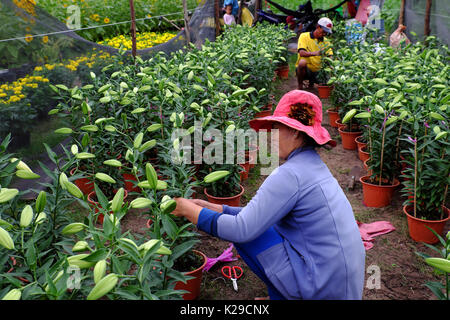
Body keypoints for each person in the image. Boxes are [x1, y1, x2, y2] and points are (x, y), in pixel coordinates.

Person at [172, 90, 366, 300]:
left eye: (276, 127)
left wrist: (188, 210)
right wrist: (220, 209)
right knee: (260, 226)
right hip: (339, 284)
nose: (270, 135)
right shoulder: (312, 166)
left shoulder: (291, 174)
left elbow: (242, 229)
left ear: (295, 132)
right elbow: (262, 215)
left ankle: (288, 295)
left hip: (319, 287)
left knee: (249, 235)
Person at [295, 17, 333, 90]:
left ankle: (312, 83)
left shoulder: (326, 41)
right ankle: (300, 85)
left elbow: (330, 55)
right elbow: (301, 53)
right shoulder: (304, 36)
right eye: (323, 31)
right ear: (318, 27)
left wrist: (331, 64)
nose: (324, 34)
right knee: (302, 62)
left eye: (326, 32)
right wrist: (316, 53)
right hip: (306, 70)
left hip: (318, 71)